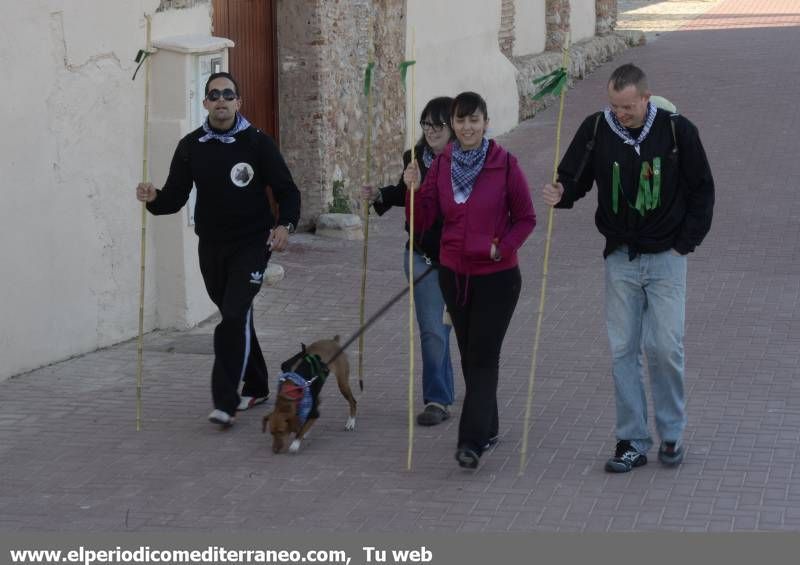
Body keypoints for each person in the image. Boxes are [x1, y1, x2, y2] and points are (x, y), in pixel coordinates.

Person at [542, 63, 714, 472]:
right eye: (614, 105)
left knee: (665, 348)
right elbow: (575, 177)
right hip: (620, 258)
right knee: (623, 351)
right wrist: (561, 192)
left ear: (645, 99)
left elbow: (702, 189)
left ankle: (671, 435)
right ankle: (631, 440)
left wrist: (683, 246)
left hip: (667, 258)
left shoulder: (677, 130)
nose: (620, 113)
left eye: (627, 106)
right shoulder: (597, 128)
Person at [135, 71, 301, 428]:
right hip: (211, 247)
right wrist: (154, 199)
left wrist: (284, 226)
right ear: (206, 103)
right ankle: (256, 384)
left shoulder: (258, 143)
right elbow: (174, 198)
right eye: (215, 95)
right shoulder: (191, 146)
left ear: (238, 102)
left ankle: (225, 401)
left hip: (252, 244)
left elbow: (288, 191)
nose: (222, 100)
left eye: (228, 94)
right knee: (235, 315)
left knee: (232, 318)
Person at [408, 92, 536, 468]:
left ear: (485, 122)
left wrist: (503, 247)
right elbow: (423, 221)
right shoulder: (442, 165)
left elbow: (526, 218)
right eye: (460, 121)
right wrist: (413, 190)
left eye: (473, 120)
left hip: (497, 278)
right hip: (454, 276)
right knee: (469, 356)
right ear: (453, 125)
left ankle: (471, 441)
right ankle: (490, 425)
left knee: (483, 357)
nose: (467, 128)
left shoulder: (505, 165)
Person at [363, 96, 456, 427]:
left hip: (463, 260)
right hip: (422, 257)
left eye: (438, 124)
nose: (431, 131)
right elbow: (408, 195)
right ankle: (437, 399)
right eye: (426, 123)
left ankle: (479, 398)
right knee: (433, 330)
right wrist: (380, 195)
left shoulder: (470, 161)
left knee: (464, 332)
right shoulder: (414, 158)